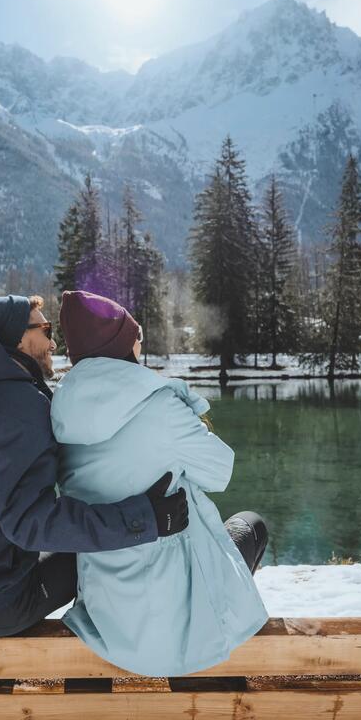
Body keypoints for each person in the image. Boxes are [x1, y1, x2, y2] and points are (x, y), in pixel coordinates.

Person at [0, 293, 189, 639]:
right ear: (16, 337)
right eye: (46, 329)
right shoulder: (17, 405)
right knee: (107, 553)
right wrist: (144, 519)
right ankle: (141, 639)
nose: (53, 342)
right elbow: (30, 523)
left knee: (80, 541)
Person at [50, 289, 269, 676]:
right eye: (137, 338)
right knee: (251, 525)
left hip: (108, 622)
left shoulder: (58, 410)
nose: (141, 345)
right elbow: (219, 473)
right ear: (120, 345)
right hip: (172, 632)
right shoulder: (159, 405)